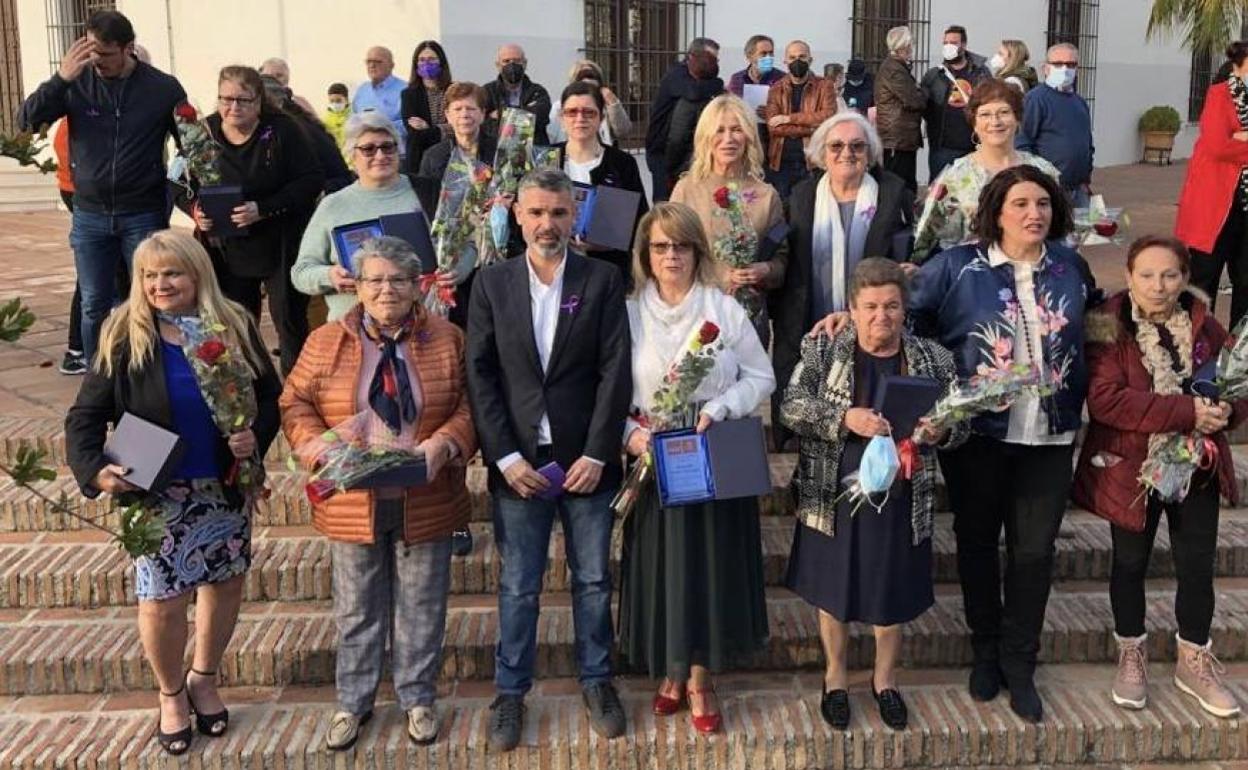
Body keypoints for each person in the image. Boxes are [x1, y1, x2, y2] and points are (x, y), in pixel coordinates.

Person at [65, 230, 281, 755]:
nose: (161, 284)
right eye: (150, 275)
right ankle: (170, 694)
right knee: (162, 600)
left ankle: (204, 678)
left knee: (223, 586)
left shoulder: (232, 325)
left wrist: (256, 437)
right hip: (156, 492)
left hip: (222, 486)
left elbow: (270, 399)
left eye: (172, 273)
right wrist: (95, 471)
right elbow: (85, 418)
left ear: (197, 274)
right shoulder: (124, 334)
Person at [280, 236, 478, 750]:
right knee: (357, 608)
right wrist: (317, 449)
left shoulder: (448, 337)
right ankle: (353, 702)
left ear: (417, 286)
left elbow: (472, 404)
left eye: (398, 279)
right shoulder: (326, 339)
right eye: (374, 279)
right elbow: (294, 403)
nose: (386, 289)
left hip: (426, 493)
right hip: (352, 498)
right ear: (358, 287)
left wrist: (447, 443)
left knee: (422, 605)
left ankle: (417, 698)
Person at [907, 165, 1088, 723]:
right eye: (1020, 204)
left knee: (1033, 553)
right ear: (996, 211)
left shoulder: (1070, 267)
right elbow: (909, 319)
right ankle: (985, 649)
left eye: (1042, 203)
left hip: (1050, 435)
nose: (1034, 214)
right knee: (979, 543)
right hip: (980, 435)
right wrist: (944, 388)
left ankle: (1020, 660)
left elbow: (1098, 329)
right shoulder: (958, 266)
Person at [465, 168, 631, 752]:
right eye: (536, 213)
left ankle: (597, 681)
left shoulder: (604, 280)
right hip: (519, 463)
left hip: (585, 460)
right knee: (517, 586)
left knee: (592, 579)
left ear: (574, 216)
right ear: (517, 215)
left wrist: (597, 450)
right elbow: (479, 374)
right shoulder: (490, 283)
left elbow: (616, 370)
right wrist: (504, 456)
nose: (547, 224)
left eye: (559, 213)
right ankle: (510, 694)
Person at [783, 257, 963, 730]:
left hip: (900, 497)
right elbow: (791, 407)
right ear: (851, 307)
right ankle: (836, 677)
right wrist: (844, 419)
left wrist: (940, 431)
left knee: (891, 587)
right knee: (832, 588)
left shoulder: (933, 359)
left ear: (906, 309)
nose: (881, 316)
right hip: (833, 492)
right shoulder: (824, 348)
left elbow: (960, 423)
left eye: (891, 306)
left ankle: (885, 680)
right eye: (870, 307)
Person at [617, 201, 775, 734]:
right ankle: (669, 669)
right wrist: (631, 434)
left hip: (713, 447)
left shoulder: (723, 309)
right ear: (645, 253)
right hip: (655, 453)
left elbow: (762, 376)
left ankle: (701, 677)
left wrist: (719, 407)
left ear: (697, 251)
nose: (671, 255)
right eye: (660, 246)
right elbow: (610, 390)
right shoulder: (629, 312)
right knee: (663, 565)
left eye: (681, 245)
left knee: (710, 565)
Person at [1073, 234, 1245, 719]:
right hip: (1131, 467)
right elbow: (1106, 400)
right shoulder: (1108, 326)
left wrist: (1225, 411)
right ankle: (1131, 651)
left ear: (1185, 279)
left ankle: (1194, 658)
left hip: (1198, 467)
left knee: (1197, 563)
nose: (1158, 285)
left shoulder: (1206, 327)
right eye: (1146, 275)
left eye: (1170, 275)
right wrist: (1187, 409)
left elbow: (1237, 387)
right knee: (1129, 563)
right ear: (1128, 277)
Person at [18, 10, 186, 367]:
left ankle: (150, 373)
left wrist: (185, 198)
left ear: (128, 49)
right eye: (91, 54)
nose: (97, 63)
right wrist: (61, 78)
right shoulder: (76, 84)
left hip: (142, 213)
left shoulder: (162, 88)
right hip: (90, 215)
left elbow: (192, 148)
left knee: (151, 298)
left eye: (106, 55)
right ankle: (99, 377)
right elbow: (27, 121)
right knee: (94, 302)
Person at [773, 112, 914, 450]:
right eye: (836, 146)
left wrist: (912, 267)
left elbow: (916, 246)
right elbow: (783, 250)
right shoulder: (801, 196)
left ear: (870, 153)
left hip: (872, 327)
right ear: (822, 153)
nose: (846, 153)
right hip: (811, 320)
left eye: (857, 146)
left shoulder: (893, 196)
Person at [181, 66, 324, 376]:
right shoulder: (202, 133)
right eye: (227, 99)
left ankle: (297, 392)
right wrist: (195, 210)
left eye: (243, 100)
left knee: (288, 320)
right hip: (228, 243)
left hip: (280, 238)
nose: (234, 107)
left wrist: (264, 208)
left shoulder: (284, 130)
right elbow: (178, 182)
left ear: (259, 101)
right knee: (236, 319)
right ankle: (249, 388)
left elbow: (310, 180)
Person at [670, 95, 785, 346]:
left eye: (736, 130)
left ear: (749, 136)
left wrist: (765, 270)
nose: (728, 139)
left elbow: (782, 259)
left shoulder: (767, 195)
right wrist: (721, 276)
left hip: (749, 321)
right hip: (696, 315)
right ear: (705, 137)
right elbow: (671, 253)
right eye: (719, 130)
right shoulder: (687, 189)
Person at [292, 112, 423, 323]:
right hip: (351, 329)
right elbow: (301, 272)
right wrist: (329, 276)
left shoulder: (426, 193)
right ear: (352, 156)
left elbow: (465, 247)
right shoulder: (333, 205)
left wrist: (454, 272)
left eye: (387, 147)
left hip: (420, 328)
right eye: (368, 149)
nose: (380, 155)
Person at [913, 79, 1061, 263]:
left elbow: (1060, 230)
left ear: (1017, 119)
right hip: (972, 278)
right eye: (985, 114)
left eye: (1004, 112)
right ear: (974, 123)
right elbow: (924, 236)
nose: (995, 121)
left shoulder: (1044, 172)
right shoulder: (954, 178)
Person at [415, 81, 501, 328]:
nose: (465, 114)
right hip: (452, 251)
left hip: (493, 246)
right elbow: (427, 205)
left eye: (471, 109)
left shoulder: (499, 152)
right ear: (448, 116)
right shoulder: (434, 156)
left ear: (483, 114)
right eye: (458, 109)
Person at [1175, 40, 1248, 329]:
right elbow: (1218, 146)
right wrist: (1234, 142)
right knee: (1202, 284)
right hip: (1214, 208)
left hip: (1244, 208)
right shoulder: (1220, 94)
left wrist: (1240, 140)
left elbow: (1227, 146)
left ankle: (1239, 357)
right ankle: (1194, 350)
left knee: (1246, 284)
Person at [554, 81, 649, 285]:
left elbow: (641, 222)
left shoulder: (622, 163)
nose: (580, 119)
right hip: (553, 272)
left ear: (601, 118)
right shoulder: (546, 159)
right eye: (572, 112)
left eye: (589, 112)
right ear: (561, 118)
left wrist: (607, 242)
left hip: (608, 273)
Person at [1016, 43, 1094, 208]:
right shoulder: (1036, 100)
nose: (1065, 69)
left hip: (1079, 190)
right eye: (1058, 64)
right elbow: (1023, 143)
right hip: (1050, 189)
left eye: (1071, 65)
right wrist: (1039, 180)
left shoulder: (1079, 103)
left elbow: (1087, 143)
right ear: (1046, 68)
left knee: (1083, 232)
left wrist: (1085, 179)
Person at [645, 37, 721, 201]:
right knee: (664, 202)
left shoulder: (702, 79)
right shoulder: (676, 75)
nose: (715, 64)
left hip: (684, 153)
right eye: (711, 59)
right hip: (660, 151)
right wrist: (719, 84)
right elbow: (693, 92)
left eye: (717, 59)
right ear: (693, 57)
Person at [763, 39, 838, 198]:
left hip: (813, 162)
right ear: (785, 61)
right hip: (781, 162)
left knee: (809, 211)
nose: (797, 61)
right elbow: (773, 127)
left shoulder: (824, 86)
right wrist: (811, 128)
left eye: (802, 56)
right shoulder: (776, 89)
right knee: (782, 210)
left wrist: (788, 118)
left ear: (810, 60)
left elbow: (828, 117)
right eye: (792, 57)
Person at [920, 25, 991, 181]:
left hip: (973, 147)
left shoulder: (981, 74)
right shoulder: (934, 75)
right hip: (942, 148)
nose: (948, 46)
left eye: (953, 42)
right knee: (939, 195)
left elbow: (989, 102)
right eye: (945, 43)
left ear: (963, 45)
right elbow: (923, 106)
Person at [874, 26, 927, 193]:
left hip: (900, 137)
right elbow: (915, 100)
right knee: (899, 185)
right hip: (896, 138)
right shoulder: (894, 70)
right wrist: (924, 91)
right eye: (910, 44)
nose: (912, 48)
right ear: (903, 45)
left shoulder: (897, 67)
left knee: (904, 183)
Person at [546, 60, 633, 146]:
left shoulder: (605, 105)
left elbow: (623, 131)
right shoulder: (560, 106)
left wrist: (613, 104)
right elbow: (549, 138)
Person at [482, 44, 552, 145]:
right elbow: (484, 126)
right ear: (498, 65)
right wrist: (525, 113)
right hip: (496, 153)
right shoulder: (487, 92)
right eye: (506, 61)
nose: (512, 65)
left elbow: (540, 119)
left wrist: (501, 114)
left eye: (517, 61)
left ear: (525, 63)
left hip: (534, 152)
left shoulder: (538, 91)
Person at [400, 40, 452, 174]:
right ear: (415, 64)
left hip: (451, 156)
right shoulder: (408, 94)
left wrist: (428, 128)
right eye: (421, 60)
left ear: (441, 61)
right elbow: (415, 133)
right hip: (420, 160)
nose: (426, 64)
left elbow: (457, 128)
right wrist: (443, 129)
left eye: (431, 59)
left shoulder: (454, 90)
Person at [727, 34, 785, 155]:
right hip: (744, 140)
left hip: (773, 142)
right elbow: (729, 108)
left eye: (771, 53)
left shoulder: (782, 79)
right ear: (749, 56)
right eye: (763, 54)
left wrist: (772, 113)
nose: (768, 57)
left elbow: (791, 110)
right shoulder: (737, 79)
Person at [352, 46, 407, 158]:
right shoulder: (362, 90)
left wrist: (380, 126)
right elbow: (353, 120)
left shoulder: (405, 90)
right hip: (366, 155)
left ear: (391, 65)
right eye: (369, 62)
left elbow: (410, 124)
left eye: (377, 61)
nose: (372, 65)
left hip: (394, 156)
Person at [322, 83, 351, 151]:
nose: (335, 104)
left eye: (338, 101)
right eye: (332, 101)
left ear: (346, 99)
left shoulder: (354, 117)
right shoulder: (326, 120)